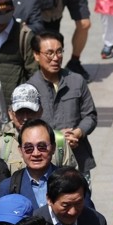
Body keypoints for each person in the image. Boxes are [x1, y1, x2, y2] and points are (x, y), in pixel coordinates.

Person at [29, 31, 97, 176]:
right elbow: (25, 126)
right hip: (45, 163)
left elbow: (90, 115)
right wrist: (57, 137)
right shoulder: (30, 88)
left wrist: (77, 133)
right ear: (36, 55)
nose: (56, 58)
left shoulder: (76, 81)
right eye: (49, 53)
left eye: (59, 52)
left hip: (78, 160)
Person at [0, 83, 77, 174]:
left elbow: (73, 179)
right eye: (20, 112)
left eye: (30, 111)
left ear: (41, 111)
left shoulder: (59, 142)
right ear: (11, 114)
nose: (25, 117)